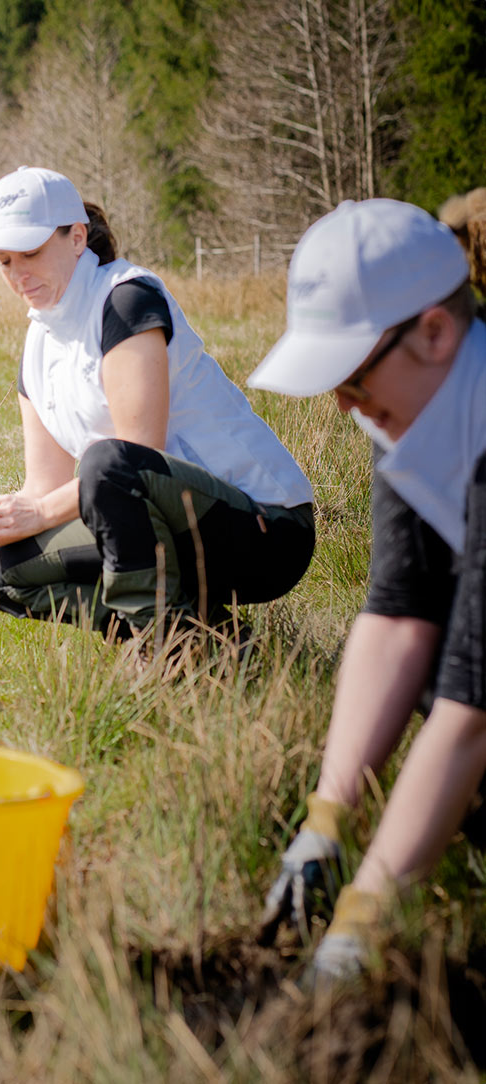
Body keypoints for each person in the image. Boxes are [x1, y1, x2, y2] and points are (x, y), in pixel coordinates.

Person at [248, 198, 486, 982]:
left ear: (433, 332)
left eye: (350, 374)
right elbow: (398, 613)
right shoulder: (414, 414)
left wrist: (365, 915)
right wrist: (328, 817)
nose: (342, 404)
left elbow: (473, 704)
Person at [0, 166, 315, 642]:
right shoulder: (37, 345)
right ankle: (208, 639)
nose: (18, 274)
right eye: (5, 261)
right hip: (151, 522)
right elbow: (43, 488)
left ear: (76, 238)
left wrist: (43, 514)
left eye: (30, 252)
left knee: (108, 463)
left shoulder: (126, 299)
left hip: (264, 528)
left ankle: (162, 651)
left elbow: (136, 450)